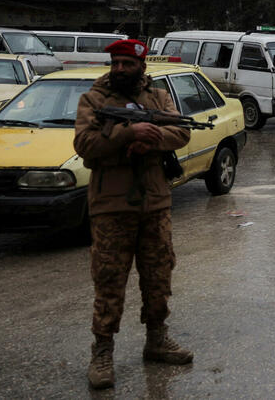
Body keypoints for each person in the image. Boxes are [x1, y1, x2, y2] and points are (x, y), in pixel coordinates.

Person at [73, 39, 193, 390]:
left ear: (141, 66)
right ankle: (103, 351)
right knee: (109, 279)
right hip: (111, 205)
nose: (121, 69)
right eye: (116, 63)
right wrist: (127, 134)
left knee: (158, 274)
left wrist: (151, 140)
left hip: (154, 202)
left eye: (127, 64)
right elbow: (83, 145)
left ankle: (157, 339)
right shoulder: (93, 100)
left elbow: (182, 130)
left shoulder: (157, 97)